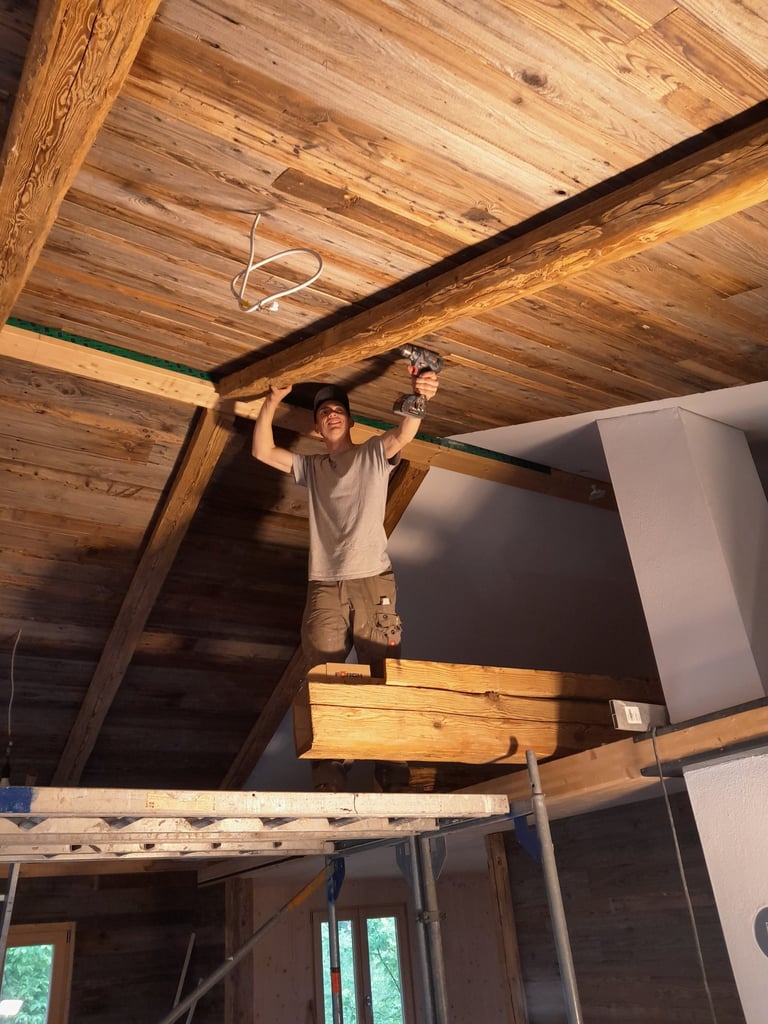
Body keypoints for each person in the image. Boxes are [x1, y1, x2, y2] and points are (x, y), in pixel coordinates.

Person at [252, 363, 439, 789]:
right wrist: (271, 401)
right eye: (323, 413)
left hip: (372, 580)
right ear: (317, 429)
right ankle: (329, 775)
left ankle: (392, 771)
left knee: (383, 672)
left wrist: (420, 396)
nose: (331, 414)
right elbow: (263, 451)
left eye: (338, 410)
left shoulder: (372, 453)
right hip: (324, 584)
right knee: (324, 678)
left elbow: (404, 434)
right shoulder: (312, 467)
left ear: (350, 421)